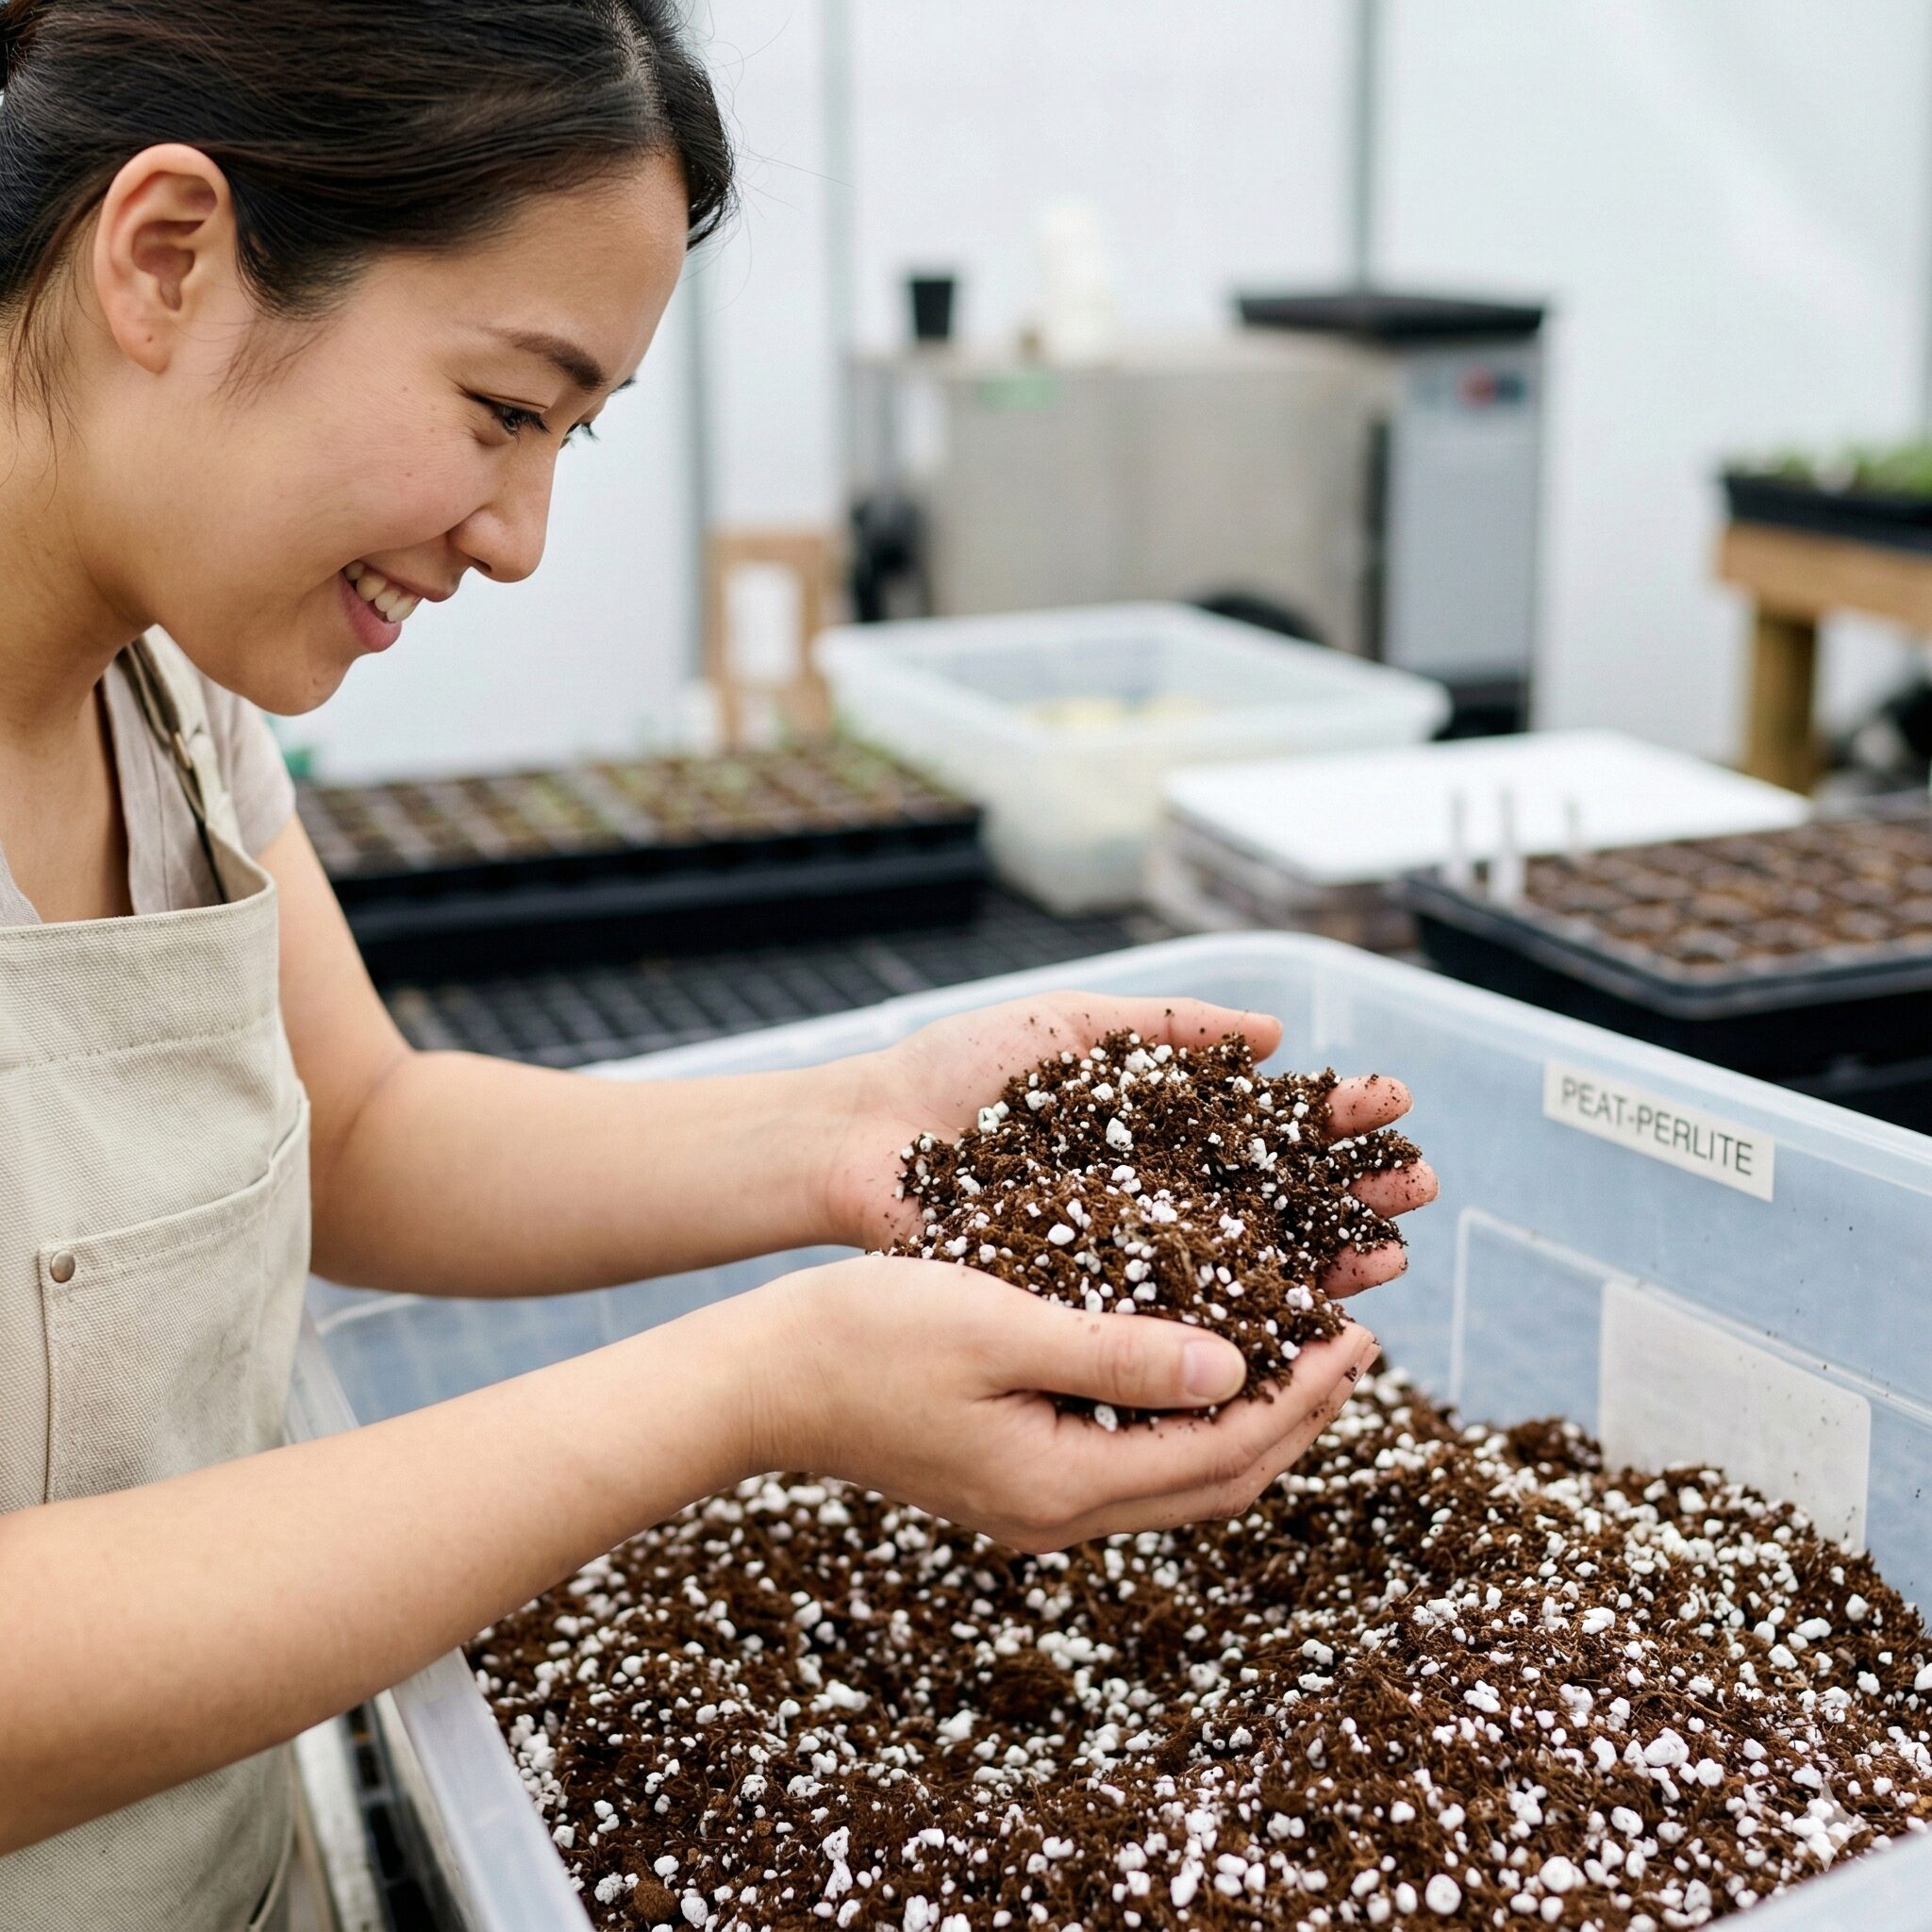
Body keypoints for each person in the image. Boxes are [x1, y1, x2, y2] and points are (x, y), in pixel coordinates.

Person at [0, 4, 1439, 1927]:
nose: (518, 538)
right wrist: (758, 1381)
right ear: (166, 258)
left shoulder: (163, 686)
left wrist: (862, 1129)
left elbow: (354, 1124)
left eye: (570, 438)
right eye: (505, 408)